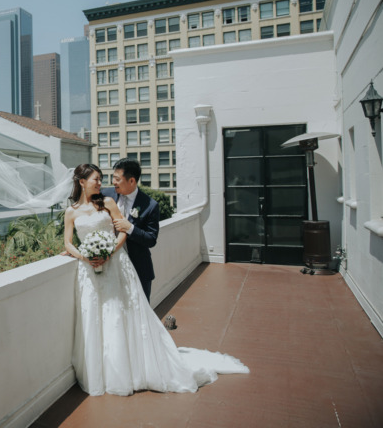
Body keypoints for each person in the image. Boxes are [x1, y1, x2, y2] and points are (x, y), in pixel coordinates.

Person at [64, 163, 248, 396]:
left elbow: (146, 238)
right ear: (82, 182)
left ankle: (138, 366)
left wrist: (111, 249)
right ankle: (107, 369)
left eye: (113, 178)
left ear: (132, 180)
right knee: (102, 316)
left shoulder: (140, 204)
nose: (107, 183)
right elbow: (69, 240)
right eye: (98, 179)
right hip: (91, 269)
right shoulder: (84, 205)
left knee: (130, 316)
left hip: (123, 265)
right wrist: (85, 255)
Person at [101, 158, 158, 302]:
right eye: (113, 178)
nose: (113, 182)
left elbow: (151, 239)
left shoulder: (150, 205)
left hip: (138, 267)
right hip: (110, 267)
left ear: (132, 181)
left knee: (141, 312)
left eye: (117, 179)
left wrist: (130, 228)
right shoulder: (105, 194)